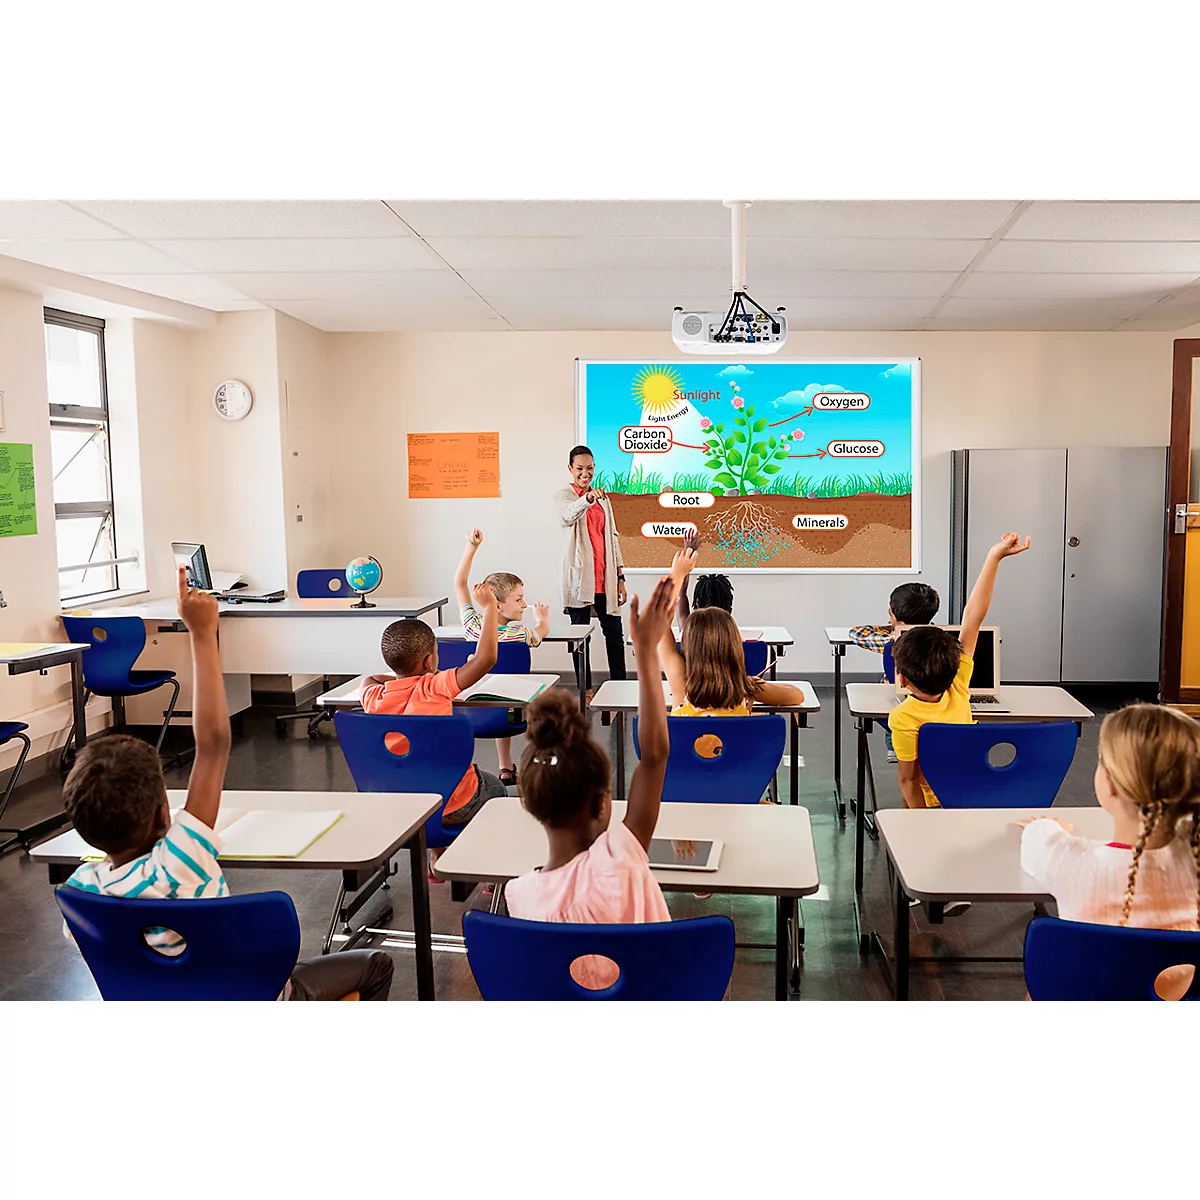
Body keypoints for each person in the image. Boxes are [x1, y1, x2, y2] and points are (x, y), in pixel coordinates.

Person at [61, 566, 394, 1001]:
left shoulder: (79, 896)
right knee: (375, 966)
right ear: (165, 811)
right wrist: (203, 633)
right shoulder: (182, 858)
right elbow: (213, 745)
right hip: (248, 997)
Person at [505, 575, 677, 989]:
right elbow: (654, 757)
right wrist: (646, 652)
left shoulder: (518, 896)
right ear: (603, 804)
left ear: (530, 804)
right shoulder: (620, 859)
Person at [1019, 703, 1200, 999]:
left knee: (1037, 992)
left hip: (1084, 1007)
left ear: (1110, 785)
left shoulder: (1070, 862)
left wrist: (1054, 828)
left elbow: (1035, 836)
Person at [361, 582, 506, 876]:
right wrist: (490, 607)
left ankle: (436, 857)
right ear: (430, 661)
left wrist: (391, 680)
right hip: (453, 806)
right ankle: (491, 874)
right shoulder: (436, 686)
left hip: (399, 809)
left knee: (421, 772)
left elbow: (369, 680)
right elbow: (486, 659)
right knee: (496, 789)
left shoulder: (375, 698)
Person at [889, 532, 1030, 812]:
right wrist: (994, 556)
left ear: (902, 679)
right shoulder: (958, 685)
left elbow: (908, 781)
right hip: (968, 795)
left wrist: (923, 823)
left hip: (930, 806)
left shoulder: (902, 717)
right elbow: (973, 615)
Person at [661, 547, 806, 717]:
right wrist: (756, 683)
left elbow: (658, 621)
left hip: (686, 745)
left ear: (688, 646)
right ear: (735, 646)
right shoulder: (746, 687)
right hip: (739, 744)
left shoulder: (680, 682)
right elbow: (798, 695)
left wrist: (676, 575)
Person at [454, 527, 550, 785]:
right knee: (506, 692)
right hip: (509, 713)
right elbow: (541, 633)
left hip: (466, 712)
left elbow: (460, 584)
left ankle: (496, 765)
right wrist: (542, 619)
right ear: (497, 606)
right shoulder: (518, 636)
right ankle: (509, 765)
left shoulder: (472, 626)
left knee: (494, 689)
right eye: (519, 599)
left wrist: (471, 548)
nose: (523, 604)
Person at [557, 444, 627, 701]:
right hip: (579, 580)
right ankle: (585, 691)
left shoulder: (603, 499)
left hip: (605, 578)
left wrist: (620, 578)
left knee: (615, 635)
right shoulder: (564, 495)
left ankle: (619, 687)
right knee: (580, 638)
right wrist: (586, 499)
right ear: (570, 469)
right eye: (579, 469)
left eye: (589, 468)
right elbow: (567, 516)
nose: (585, 473)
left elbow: (613, 538)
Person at [848, 581, 941, 764]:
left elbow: (856, 633)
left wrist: (893, 629)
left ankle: (894, 743)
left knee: (887, 701)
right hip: (938, 708)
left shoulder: (891, 641)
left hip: (901, 709)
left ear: (894, 614)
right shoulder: (939, 638)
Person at [674, 532, 734, 623]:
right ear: (728, 607)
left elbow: (681, 593)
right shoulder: (734, 634)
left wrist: (689, 552)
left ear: (696, 604)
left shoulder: (687, 631)